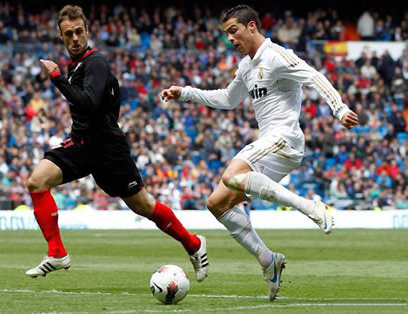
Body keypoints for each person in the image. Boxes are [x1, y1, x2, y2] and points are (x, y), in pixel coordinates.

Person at [161, 4, 358, 301]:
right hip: (270, 144)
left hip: (285, 138)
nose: (230, 39)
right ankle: (269, 261)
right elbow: (228, 99)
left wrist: (339, 108)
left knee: (231, 174)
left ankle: (310, 207)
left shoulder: (276, 56)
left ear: (251, 26)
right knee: (216, 203)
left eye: (233, 31)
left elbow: (313, 75)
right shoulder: (246, 66)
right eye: (227, 33)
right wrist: (185, 92)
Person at [25, 5, 208, 282]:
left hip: (109, 148)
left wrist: (56, 78)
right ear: (61, 38)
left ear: (87, 31)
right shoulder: (77, 65)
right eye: (68, 34)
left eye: (78, 32)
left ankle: (194, 245)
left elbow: (90, 102)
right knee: (37, 181)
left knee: (143, 206)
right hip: (83, 143)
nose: (74, 38)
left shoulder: (95, 62)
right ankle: (57, 253)